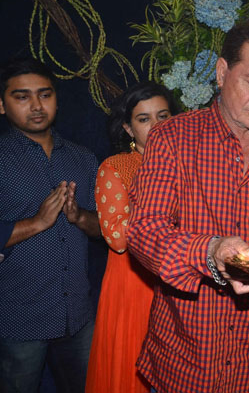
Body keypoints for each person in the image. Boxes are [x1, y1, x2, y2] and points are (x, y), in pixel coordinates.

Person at [127, 21, 249, 393]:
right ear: (221, 73)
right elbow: (144, 230)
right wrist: (210, 250)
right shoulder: (173, 138)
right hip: (186, 364)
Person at [0, 57, 100, 393]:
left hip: (77, 315)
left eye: (45, 94)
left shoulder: (82, 158)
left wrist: (79, 217)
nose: (36, 106)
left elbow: (106, 229)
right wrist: (37, 222)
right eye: (22, 96)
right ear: (2, 105)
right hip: (19, 318)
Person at [85, 82, 179, 393]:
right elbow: (117, 238)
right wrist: (163, 209)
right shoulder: (116, 167)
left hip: (182, 280)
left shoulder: (191, 166)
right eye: (144, 119)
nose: (157, 126)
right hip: (135, 283)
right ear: (128, 128)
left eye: (163, 116)